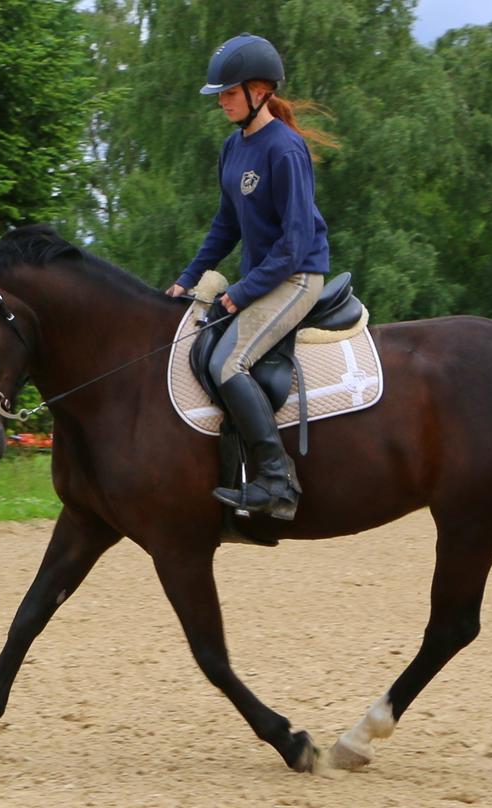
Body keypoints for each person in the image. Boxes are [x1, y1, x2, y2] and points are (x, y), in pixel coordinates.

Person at [167, 33, 333, 521]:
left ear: (260, 90)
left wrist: (242, 292)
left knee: (227, 365)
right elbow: (226, 226)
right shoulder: (232, 148)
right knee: (206, 352)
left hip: (298, 276)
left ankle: (277, 482)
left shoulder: (285, 150)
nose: (221, 101)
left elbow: (296, 244)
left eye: (229, 92)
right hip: (266, 276)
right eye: (219, 94)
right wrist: (188, 277)